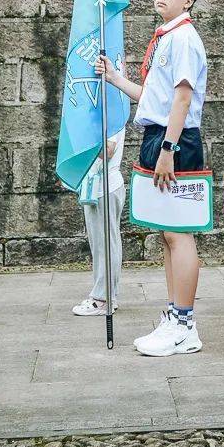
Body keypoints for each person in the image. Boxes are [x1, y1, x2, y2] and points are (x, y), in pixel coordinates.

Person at [96, 0, 207, 357]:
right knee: (165, 233)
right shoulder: (165, 38)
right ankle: (174, 314)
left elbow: (181, 99)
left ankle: (185, 322)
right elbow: (153, 97)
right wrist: (114, 78)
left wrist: (169, 150)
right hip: (157, 134)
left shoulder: (184, 39)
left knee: (179, 233)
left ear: (188, 0)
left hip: (175, 141)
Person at [73, 127, 126, 318]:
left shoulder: (110, 113)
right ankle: (106, 296)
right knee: (101, 243)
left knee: (105, 244)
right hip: (99, 186)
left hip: (105, 186)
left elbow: (108, 150)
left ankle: (103, 299)